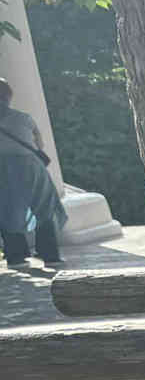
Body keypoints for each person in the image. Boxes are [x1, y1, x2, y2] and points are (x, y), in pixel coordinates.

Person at [0, 78, 66, 270]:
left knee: (6, 211)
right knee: (44, 208)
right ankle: (50, 256)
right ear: (8, 97)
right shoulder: (24, 118)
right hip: (30, 165)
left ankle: (16, 258)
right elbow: (40, 145)